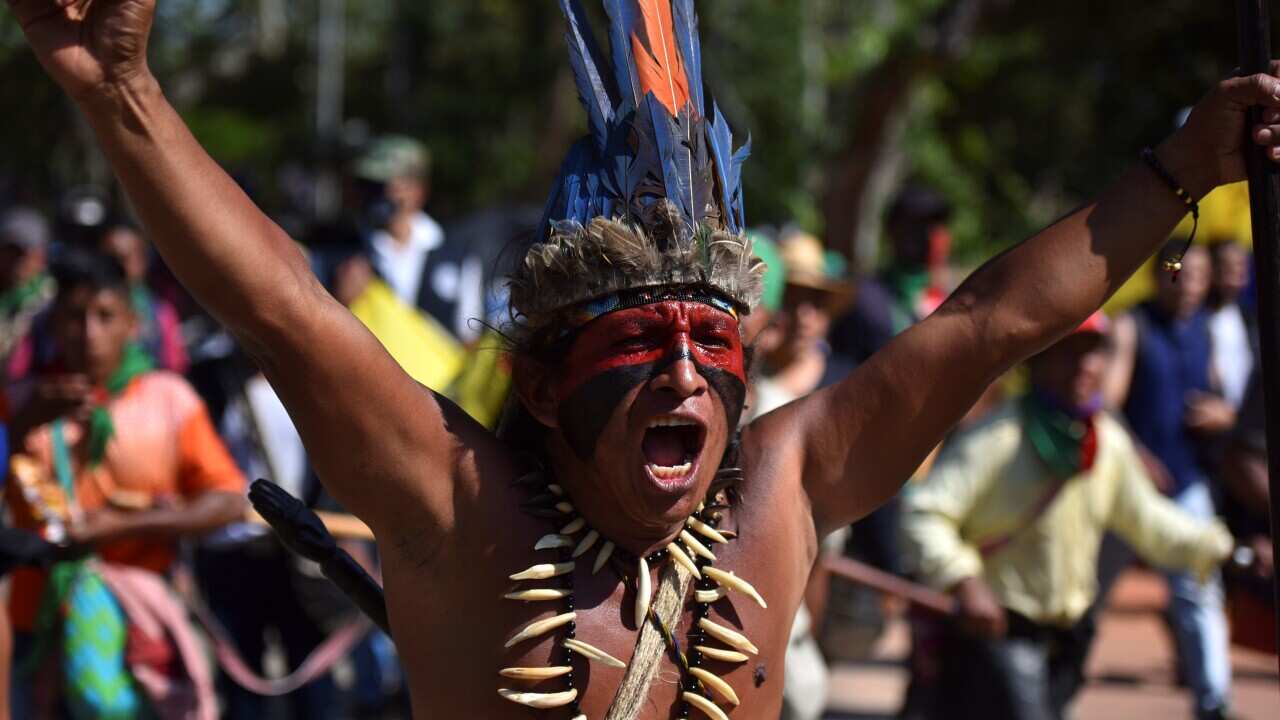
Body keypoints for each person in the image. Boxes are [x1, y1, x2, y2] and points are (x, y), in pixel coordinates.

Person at [10, 1, 1280, 717]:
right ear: (550, 384)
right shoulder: (460, 507)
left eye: (710, 345)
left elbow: (986, 323)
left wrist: (1177, 170)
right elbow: (286, 306)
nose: (684, 373)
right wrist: (118, 89)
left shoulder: (784, 490)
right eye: (636, 341)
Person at [900, 314, 1253, 720]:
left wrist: (1225, 548)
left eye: (1092, 354)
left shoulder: (1106, 441)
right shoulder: (999, 437)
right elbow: (924, 512)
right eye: (1068, 354)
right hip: (1000, 633)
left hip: (1067, 642)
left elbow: (1149, 521)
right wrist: (963, 579)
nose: (1084, 367)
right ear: (1038, 361)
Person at [3, 249, 246, 717]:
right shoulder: (19, 403)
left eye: (105, 316)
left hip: (144, 628)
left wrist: (122, 526)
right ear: (54, 326)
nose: (90, 334)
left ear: (132, 324)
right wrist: (20, 427)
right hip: (36, 631)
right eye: (75, 317)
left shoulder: (169, 400)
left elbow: (230, 502)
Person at [1103, 242, 1238, 718]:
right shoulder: (1132, 325)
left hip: (1188, 482)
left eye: (1198, 275)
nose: (1188, 284)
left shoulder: (1209, 328)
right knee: (1086, 592)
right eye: (1178, 273)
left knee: (1199, 587)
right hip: (1129, 486)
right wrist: (1137, 458)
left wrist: (1226, 415)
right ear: (1157, 275)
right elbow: (1105, 404)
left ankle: (1213, 701)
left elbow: (1225, 394)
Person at [350, 135, 487, 343]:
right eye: (370, 186)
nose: (377, 196)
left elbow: (470, 338)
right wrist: (340, 303)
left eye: (387, 186)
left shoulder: (456, 257)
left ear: (418, 190)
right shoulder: (348, 250)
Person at [98, 222, 190, 373]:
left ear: (142, 261)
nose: (116, 267)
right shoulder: (87, 309)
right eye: (110, 259)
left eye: (123, 258)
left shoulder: (161, 313)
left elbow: (175, 366)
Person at [0, 207, 54, 374]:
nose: (18, 260)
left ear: (41, 255)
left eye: (25, 252)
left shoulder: (51, 300)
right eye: (11, 251)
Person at [1206, 239, 1255, 410]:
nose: (1236, 275)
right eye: (1227, 268)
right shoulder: (1195, 320)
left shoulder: (1249, 318)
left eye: (1241, 267)